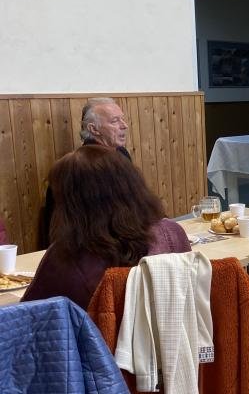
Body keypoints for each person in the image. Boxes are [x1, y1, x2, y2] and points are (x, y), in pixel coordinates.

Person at [22, 145, 190, 310]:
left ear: (72, 206)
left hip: (100, 330)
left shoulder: (66, 260)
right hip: (173, 328)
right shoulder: (173, 233)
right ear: (133, 187)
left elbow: (26, 317)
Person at [41, 97, 132, 248]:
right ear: (93, 129)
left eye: (122, 119)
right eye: (115, 121)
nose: (124, 125)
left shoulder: (122, 154)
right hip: (90, 245)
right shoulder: (78, 167)